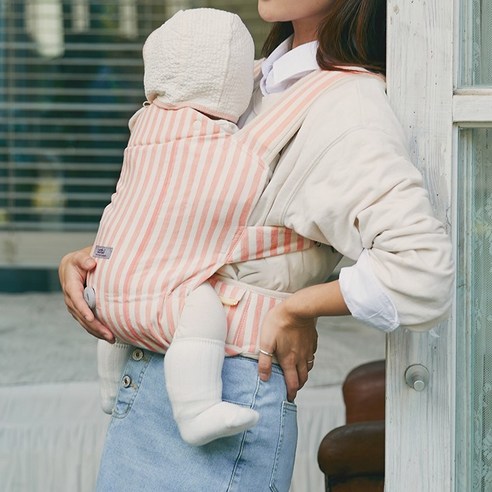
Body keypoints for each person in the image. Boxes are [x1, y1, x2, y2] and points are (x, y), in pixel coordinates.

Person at [59, 0, 454, 490]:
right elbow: (185, 217)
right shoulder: (241, 81)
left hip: (227, 396)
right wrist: (107, 257)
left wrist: (299, 307)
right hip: (146, 388)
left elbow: (422, 272)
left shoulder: (348, 105)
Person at [85, 8, 263, 447]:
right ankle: (197, 408)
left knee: (115, 321)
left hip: (103, 275)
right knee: (202, 311)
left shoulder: (143, 122)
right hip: (162, 295)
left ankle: (110, 388)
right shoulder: (222, 140)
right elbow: (242, 185)